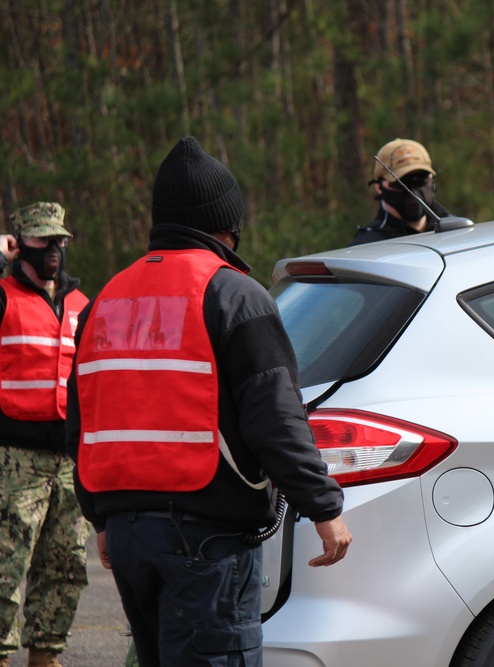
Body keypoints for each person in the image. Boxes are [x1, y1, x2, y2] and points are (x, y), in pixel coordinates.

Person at [65, 136, 352, 667]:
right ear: (226, 224)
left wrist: (101, 518)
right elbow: (275, 417)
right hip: (206, 541)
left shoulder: (104, 300)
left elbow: (83, 422)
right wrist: (323, 507)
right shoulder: (232, 295)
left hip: (128, 536)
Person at [0, 202, 90, 667]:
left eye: (60, 239)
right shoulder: (4, 295)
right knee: (5, 561)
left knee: (65, 563)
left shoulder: (81, 305)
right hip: (14, 458)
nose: (53, 248)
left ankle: (45, 653)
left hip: (70, 461)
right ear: (20, 244)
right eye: (42, 239)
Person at [350, 137, 451, 245]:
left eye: (421, 179)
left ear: (431, 179)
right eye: (401, 182)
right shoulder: (368, 247)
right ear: (379, 187)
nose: (413, 191)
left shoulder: (457, 230)